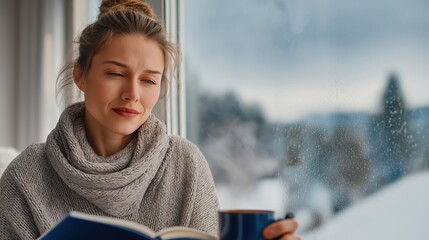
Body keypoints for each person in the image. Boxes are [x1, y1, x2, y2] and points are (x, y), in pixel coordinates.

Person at [0, 0, 300, 239]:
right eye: (115, 74)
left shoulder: (185, 165)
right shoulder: (26, 176)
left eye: (148, 80)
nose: (132, 93)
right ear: (81, 75)